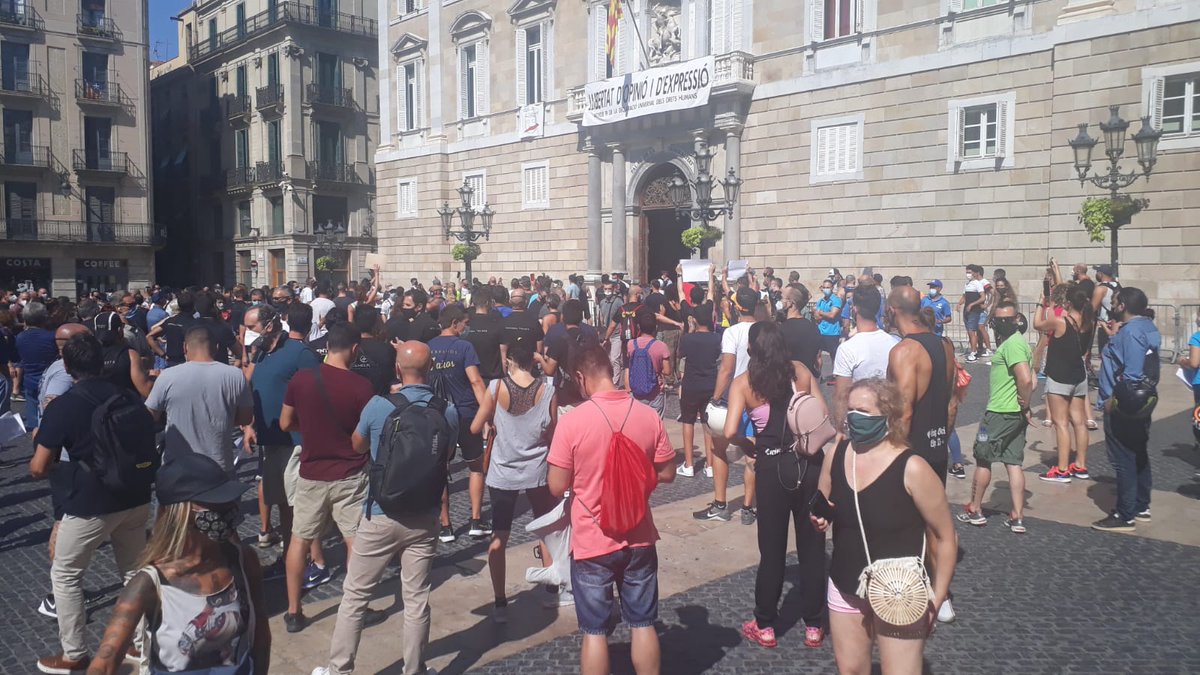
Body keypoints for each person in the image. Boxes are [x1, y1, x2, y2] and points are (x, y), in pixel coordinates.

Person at [317, 341, 455, 675]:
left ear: (397, 369)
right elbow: (448, 454)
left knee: (355, 596)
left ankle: (339, 669)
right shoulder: (446, 410)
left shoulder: (379, 405)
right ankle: (414, 669)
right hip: (424, 515)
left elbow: (357, 445)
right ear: (431, 368)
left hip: (381, 512)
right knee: (416, 598)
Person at [812, 378, 957, 675]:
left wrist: (937, 595)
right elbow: (824, 501)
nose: (854, 417)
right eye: (851, 410)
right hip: (845, 583)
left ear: (888, 417)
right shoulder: (838, 454)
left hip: (899, 589)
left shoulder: (912, 467)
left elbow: (945, 537)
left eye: (864, 411)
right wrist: (820, 517)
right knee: (850, 670)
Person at [547, 346, 676, 675]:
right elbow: (667, 472)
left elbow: (556, 486)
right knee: (643, 623)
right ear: (612, 371)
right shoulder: (648, 416)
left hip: (591, 541)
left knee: (594, 631)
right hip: (640, 535)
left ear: (580, 378)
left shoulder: (572, 422)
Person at [31, 334, 155, 674]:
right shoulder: (127, 396)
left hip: (90, 503)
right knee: (133, 572)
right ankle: (142, 644)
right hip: (135, 496)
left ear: (67, 366)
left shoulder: (64, 406)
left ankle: (74, 654)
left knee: (66, 574)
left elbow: (39, 467)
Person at [85, 452, 271, 675]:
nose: (228, 508)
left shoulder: (243, 559)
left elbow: (260, 633)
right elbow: (105, 661)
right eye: (217, 503)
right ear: (181, 513)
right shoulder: (150, 583)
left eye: (228, 501)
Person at [726, 322, 828, 649]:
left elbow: (729, 431)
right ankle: (814, 625)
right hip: (807, 465)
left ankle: (765, 624)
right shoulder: (800, 371)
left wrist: (748, 444)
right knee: (812, 548)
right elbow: (823, 414)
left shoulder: (744, 383)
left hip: (771, 469)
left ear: (751, 349)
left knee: (771, 551)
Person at [278, 325, 374, 633]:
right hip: (349, 474)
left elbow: (285, 423)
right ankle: (358, 607)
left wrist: (310, 428)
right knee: (354, 540)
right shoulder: (362, 386)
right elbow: (365, 436)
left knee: (300, 540)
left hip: (311, 473)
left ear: (327, 346)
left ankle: (294, 611)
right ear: (354, 349)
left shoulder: (301, 380)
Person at [470, 340, 560, 621]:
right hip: (537, 469)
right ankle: (551, 591)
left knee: (499, 536)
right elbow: (553, 431)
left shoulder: (496, 387)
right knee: (545, 529)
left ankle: (500, 603)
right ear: (533, 360)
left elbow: (474, 426)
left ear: (509, 361)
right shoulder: (547, 390)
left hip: (503, 472)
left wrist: (491, 424)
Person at [886, 286, 959, 622]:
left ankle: (907, 591)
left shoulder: (904, 351)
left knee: (903, 524)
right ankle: (941, 595)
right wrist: (941, 438)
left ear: (892, 310)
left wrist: (891, 455)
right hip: (936, 445)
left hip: (910, 452)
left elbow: (903, 412)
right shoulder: (945, 346)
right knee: (935, 524)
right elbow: (951, 402)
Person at [959, 302, 1033, 534]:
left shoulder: (1012, 345)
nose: (1001, 323)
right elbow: (1031, 379)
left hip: (998, 413)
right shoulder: (1021, 343)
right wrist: (1025, 406)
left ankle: (975, 508)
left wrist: (1026, 403)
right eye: (998, 319)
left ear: (1016, 319)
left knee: (983, 458)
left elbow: (1026, 379)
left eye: (1006, 319)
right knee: (1013, 462)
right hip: (1014, 414)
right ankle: (1017, 516)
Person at [1093, 287, 1161, 532]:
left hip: (1123, 403)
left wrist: (1112, 401)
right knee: (1138, 452)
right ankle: (1141, 505)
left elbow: (1131, 373)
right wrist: (1115, 337)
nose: (1111, 305)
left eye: (1114, 302)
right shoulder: (1145, 326)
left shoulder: (1131, 332)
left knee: (1124, 459)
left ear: (1122, 305)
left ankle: (1125, 514)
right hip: (1142, 402)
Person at [146, 325, 254, 474]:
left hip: (178, 466)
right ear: (216, 347)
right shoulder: (235, 375)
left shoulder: (167, 376)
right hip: (219, 464)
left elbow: (150, 416)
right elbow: (246, 418)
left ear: (185, 347)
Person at [695, 287, 760, 525]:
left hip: (734, 398)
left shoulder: (732, 332)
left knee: (718, 450)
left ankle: (721, 504)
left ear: (737, 306)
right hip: (758, 397)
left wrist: (715, 397)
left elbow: (727, 368)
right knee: (752, 456)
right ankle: (748, 507)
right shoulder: (765, 329)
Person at [428, 306, 490, 542]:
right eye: (465, 322)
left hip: (438, 415)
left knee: (440, 470)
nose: (467, 327)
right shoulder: (464, 347)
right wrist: (487, 414)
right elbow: (475, 381)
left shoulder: (428, 347)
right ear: (454, 323)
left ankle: (445, 526)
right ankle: (475, 520)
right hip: (466, 413)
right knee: (475, 466)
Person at [1034, 287, 1094, 483]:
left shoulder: (1061, 321)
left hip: (1060, 376)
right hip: (1079, 375)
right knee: (1079, 422)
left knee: (1061, 423)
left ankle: (1062, 470)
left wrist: (1041, 303)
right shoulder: (1089, 322)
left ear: (1068, 303)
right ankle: (1081, 465)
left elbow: (1037, 324)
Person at [832, 282, 899, 426]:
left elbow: (841, 396)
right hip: (889, 419)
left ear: (854, 309)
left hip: (860, 423)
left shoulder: (847, 349)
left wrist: (839, 429)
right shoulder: (894, 344)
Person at [676, 302, 721, 478]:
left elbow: (680, 354)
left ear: (694, 320)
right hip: (710, 383)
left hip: (691, 384)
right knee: (707, 424)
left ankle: (688, 464)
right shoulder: (717, 338)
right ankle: (710, 465)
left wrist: (689, 330)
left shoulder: (688, 339)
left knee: (688, 421)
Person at [542, 299, 600, 411]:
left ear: (563, 316)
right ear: (581, 316)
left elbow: (548, 366)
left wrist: (539, 358)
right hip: (588, 386)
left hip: (565, 389)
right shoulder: (591, 331)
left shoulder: (554, 331)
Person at [14, 301, 57, 428]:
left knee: (34, 423)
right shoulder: (52, 337)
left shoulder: (20, 337)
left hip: (30, 380)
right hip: (49, 381)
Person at [624, 308, 672, 417]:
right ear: (656, 327)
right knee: (655, 422)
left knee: (637, 421)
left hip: (636, 390)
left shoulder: (631, 344)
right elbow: (667, 371)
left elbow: (629, 365)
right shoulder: (661, 346)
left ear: (639, 327)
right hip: (655, 391)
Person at [348, 304, 397, 396]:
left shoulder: (347, 348)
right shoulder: (387, 349)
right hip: (380, 400)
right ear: (375, 323)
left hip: (352, 399)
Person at [464, 289, 506, 383]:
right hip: (494, 378)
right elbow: (503, 356)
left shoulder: (467, 325)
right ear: (487, 303)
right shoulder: (497, 324)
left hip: (472, 377)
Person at [779, 284, 821, 378]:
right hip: (808, 378)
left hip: (788, 380)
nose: (780, 301)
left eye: (782, 298)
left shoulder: (781, 330)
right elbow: (818, 358)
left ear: (790, 303)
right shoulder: (813, 328)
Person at [958, 265, 992, 362]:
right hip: (967, 311)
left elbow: (983, 297)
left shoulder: (978, 283)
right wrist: (959, 304)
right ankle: (976, 349)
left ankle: (975, 352)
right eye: (967, 272)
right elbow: (964, 296)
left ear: (975, 273)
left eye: (969, 272)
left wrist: (973, 304)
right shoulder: (967, 284)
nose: (968, 274)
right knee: (970, 331)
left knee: (974, 330)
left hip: (975, 311)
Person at [596, 280, 626, 385]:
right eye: (605, 289)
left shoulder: (618, 302)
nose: (607, 291)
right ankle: (609, 379)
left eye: (609, 289)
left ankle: (615, 382)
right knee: (607, 359)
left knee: (614, 359)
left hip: (617, 334)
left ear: (613, 289)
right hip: (606, 334)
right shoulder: (602, 302)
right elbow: (601, 316)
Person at [813, 279, 843, 380]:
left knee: (833, 355)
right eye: (824, 287)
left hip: (832, 332)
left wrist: (820, 312)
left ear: (832, 288)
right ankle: (819, 375)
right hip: (821, 331)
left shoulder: (836, 300)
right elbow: (816, 317)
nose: (826, 289)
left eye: (828, 287)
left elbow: (832, 315)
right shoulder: (820, 301)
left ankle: (835, 375)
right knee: (817, 353)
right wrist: (822, 314)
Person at [1091, 264, 1120, 353]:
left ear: (1101, 274)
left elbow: (1092, 309)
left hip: (1105, 326)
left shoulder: (1101, 289)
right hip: (1117, 324)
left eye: (1097, 272)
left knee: (1104, 354)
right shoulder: (1118, 286)